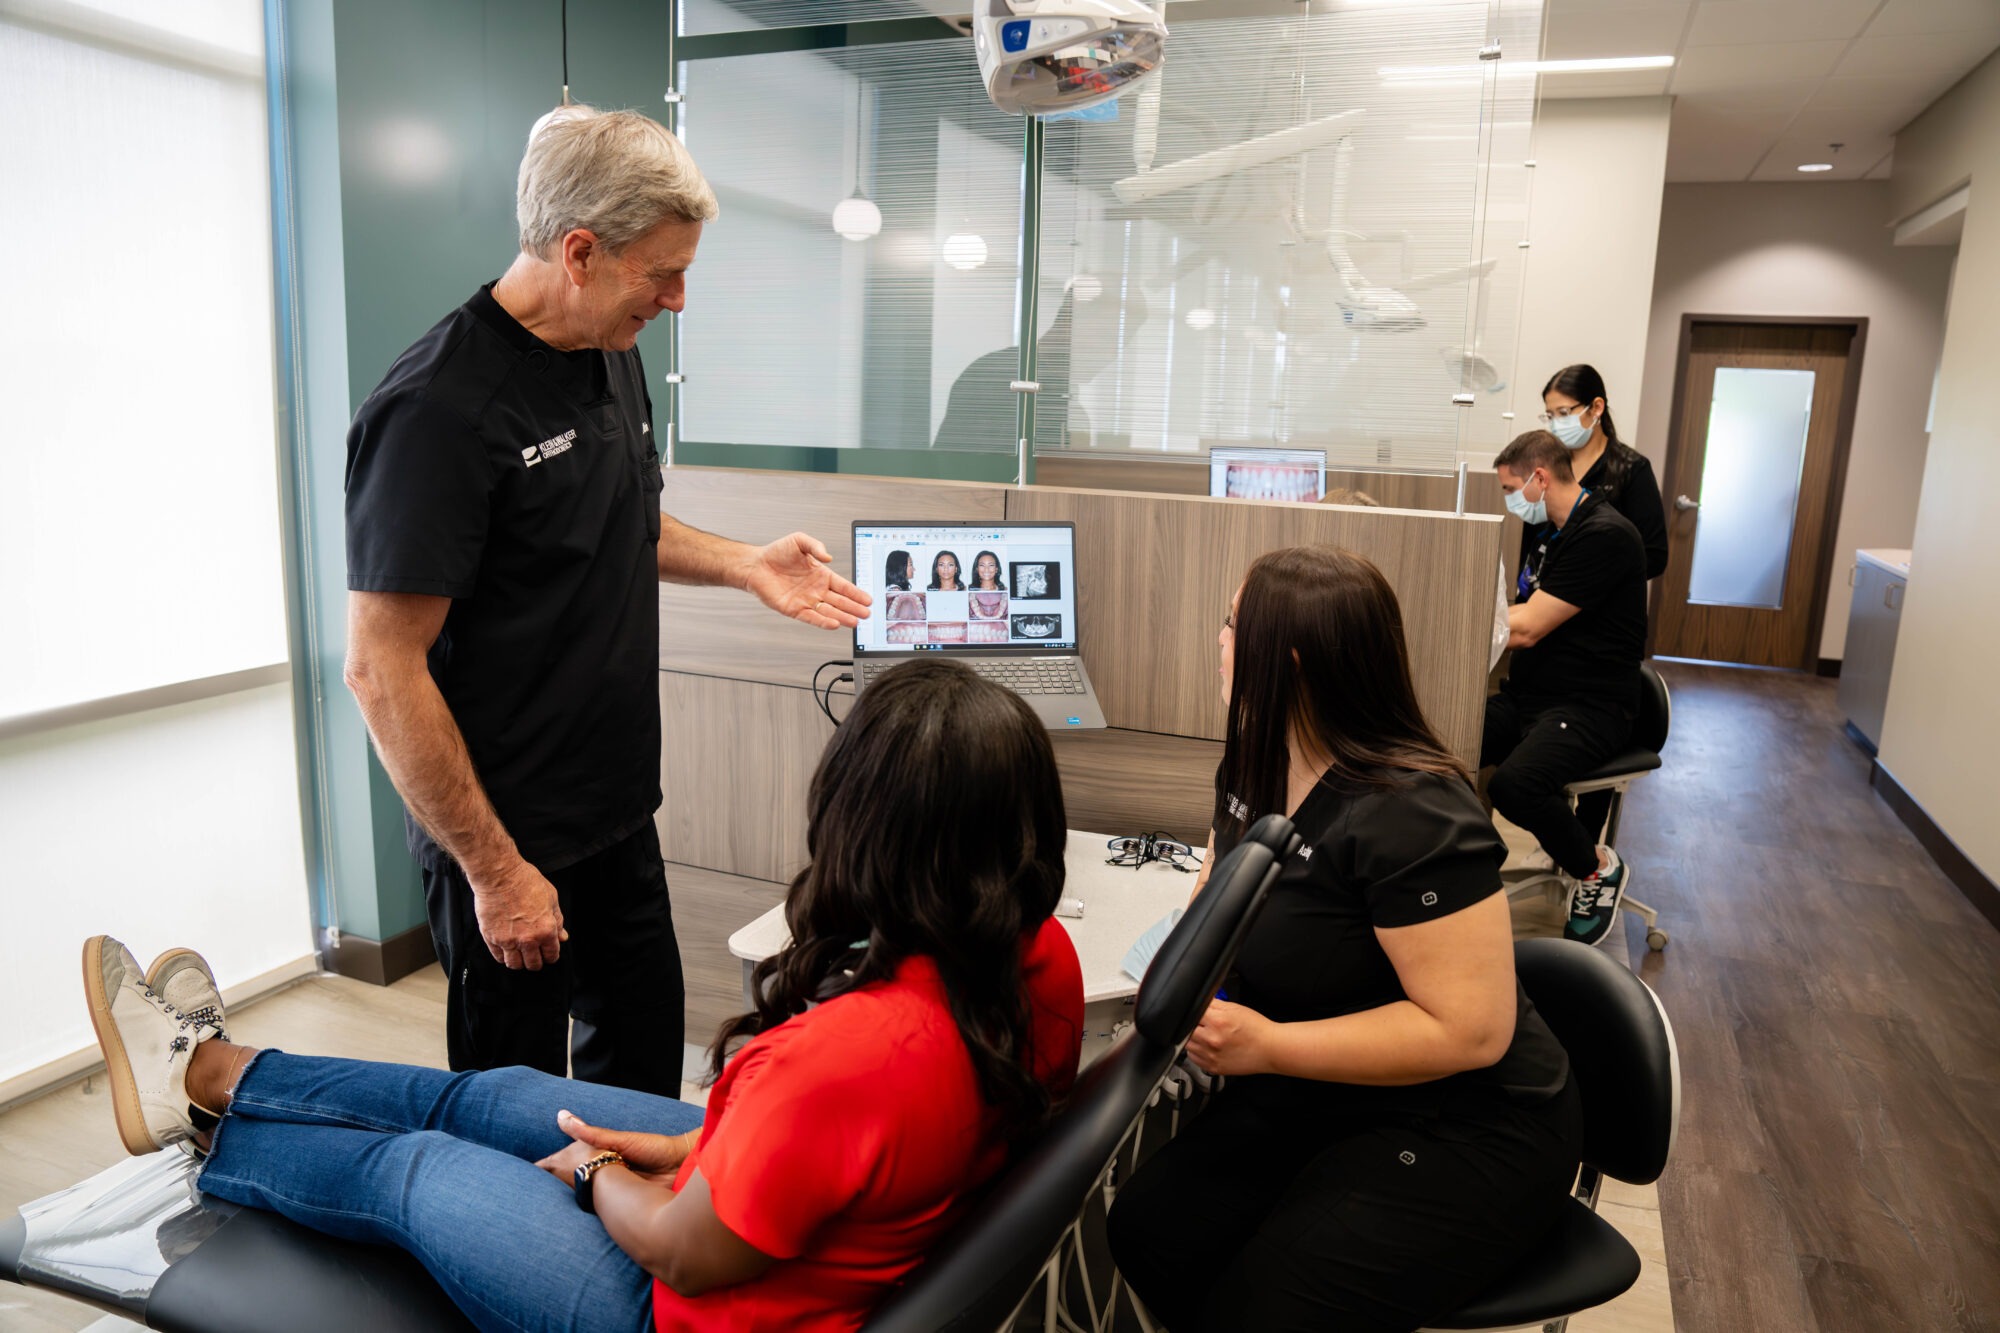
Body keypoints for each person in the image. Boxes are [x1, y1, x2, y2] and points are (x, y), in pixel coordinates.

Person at [79, 659, 1084, 1333]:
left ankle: (219, 1138)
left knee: (416, 1164)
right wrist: (686, 1148)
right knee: (494, 1094)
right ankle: (211, 1072)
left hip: (665, 1304)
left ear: (858, 823)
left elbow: (686, 1257)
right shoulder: (1038, 960)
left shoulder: (850, 1056)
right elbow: (849, 1156)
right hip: (792, 1218)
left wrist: (600, 1166)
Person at [341, 108, 871, 1097]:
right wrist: (497, 876)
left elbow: (621, 521)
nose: (675, 300)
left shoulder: (609, 347)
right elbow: (379, 666)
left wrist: (745, 563)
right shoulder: (437, 410)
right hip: (504, 834)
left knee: (636, 1089)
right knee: (520, 1121)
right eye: (660, 274)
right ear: (578, 251)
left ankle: (629, 1253)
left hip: (618, 816)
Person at [1106, 546, 1580, 1332]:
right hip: (1327, 1092)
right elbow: (1218, 892)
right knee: (1151, 1230)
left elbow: (1472, 1030)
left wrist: (1266, 1045)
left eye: (1231, 626)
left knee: (1265, 1305)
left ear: (1286, 661)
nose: (1218, 640)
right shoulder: (1255, 761)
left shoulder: (1414, 813)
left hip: (1468, 1125)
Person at [1488, 429, 1647, 945]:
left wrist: (1464, 627)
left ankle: (1595, 866)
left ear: (1539, 478)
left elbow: (1530, 625)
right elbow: (1521, 612)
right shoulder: (1555, 533)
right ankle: (1466, 864)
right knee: (1447, 741)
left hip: (1591, 707)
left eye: (1512, 488)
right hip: (1533, 697)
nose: (1512, 501)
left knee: (1514, 785)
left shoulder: (1605, 535)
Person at [1532, 363, 1667, 580]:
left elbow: (1654, 556)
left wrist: (1592, 577)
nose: (1556, 424)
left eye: (1564, 413)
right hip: (1544, 594)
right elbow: (1534, 536)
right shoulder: (1549, 466)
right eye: (1550, 415)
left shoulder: (1631, 469)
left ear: (1596, 408)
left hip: (1598, 604)